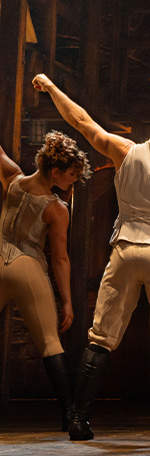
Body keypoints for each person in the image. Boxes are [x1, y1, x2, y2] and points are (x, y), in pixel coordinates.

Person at [32, 73, 150, 443]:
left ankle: (78, 420)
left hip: (125, 250)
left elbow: (80, 122)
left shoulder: (123, 150)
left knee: (101, 337)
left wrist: (51, 88)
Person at [0, 130, 90, 429]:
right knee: (50, 342)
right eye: (72, 175)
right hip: (26, 267)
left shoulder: (12, 178)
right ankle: (71, 417)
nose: (73, 181)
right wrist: (66, 301)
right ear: (55, 171)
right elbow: (60, 259)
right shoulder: (57, 208)